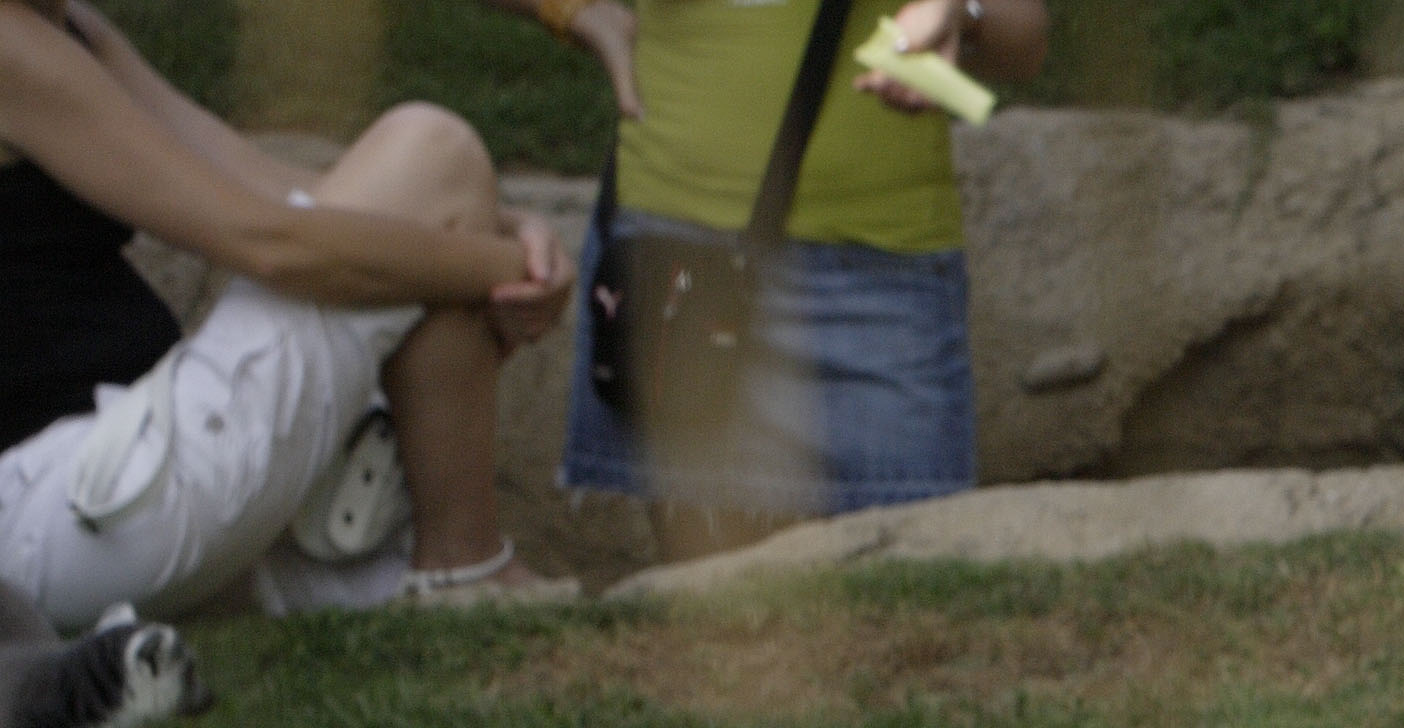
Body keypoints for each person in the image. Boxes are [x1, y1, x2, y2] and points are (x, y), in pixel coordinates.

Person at [0, 0, 566, 622]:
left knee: (432, 177)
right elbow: (271, 244)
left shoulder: (72, 26)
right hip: (60, 510)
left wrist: (505, 232)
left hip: (107, 491)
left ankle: (432, 569)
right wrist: (502, 270)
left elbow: (276, 192)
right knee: (433, 147)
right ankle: (464, 569)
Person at [534, 0, 1041, 560]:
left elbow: (1024, 43)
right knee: (716, 612)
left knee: (902, 600)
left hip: (878, 276)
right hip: (681, 256)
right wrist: (574, 13)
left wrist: (958, 12)